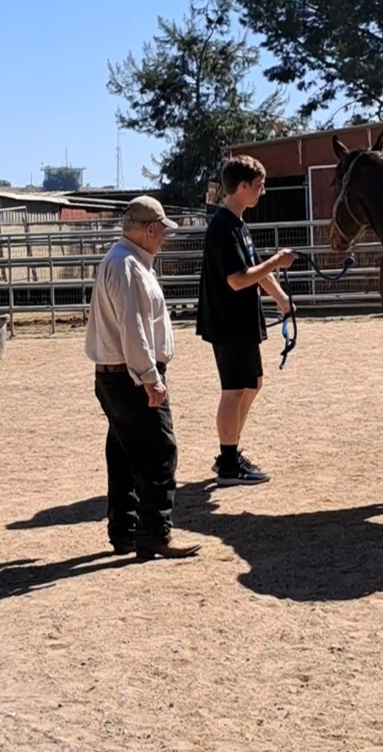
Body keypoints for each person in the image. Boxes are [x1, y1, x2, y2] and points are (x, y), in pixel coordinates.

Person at [85, 195, 199, 562]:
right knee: (159, 452)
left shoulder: (121, 260)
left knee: (122, 454)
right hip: (132, 375)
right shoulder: (129, 266)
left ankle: (125, 531)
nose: (164, 237)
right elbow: (133, 329)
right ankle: (153, 533)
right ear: (150, 229)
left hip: (116, 375)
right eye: (162, 230)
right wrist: (150, 376)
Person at [196, 155, 295, 484]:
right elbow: (238, 279)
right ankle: (227, 463)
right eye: (258, 186)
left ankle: (230, 451)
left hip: (241, 321)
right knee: (235, 389)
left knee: (251, 385)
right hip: (229, 321)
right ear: (241, 187)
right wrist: (277, 262)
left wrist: (281, 299)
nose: (262, 192)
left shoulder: (238, 225)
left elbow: (253, 270)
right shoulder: (223, 227)